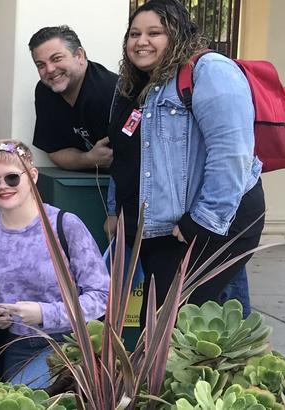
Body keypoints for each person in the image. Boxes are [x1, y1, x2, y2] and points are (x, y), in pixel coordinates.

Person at [110, 0, 265, 313]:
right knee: (163, 325)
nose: (141, 41)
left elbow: (231, 154)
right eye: (134, 33)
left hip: (208, 224)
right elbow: (125, 154)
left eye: (155, 32)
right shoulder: (135, 84)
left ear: (179, 34)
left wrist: (202, 221)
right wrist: (117, 211)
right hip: (160, 228)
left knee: (171, 326)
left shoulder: (210, 71)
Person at [0, 139, 109, 389]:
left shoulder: (65, 225)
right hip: (12, 344)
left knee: (15, 399)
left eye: (12, 178)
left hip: (64, 343)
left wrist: (44, 313)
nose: (3, 186)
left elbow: (102, 295)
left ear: (32, 176)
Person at [28, 25, 118, 171]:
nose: (50, 69)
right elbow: (55, 151)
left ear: (80, 55)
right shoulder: (45, 91)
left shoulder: (111, 91)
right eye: (41, 65)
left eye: (56, 58)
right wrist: (88, 159)